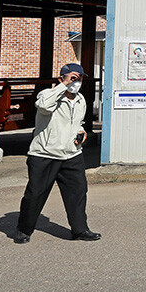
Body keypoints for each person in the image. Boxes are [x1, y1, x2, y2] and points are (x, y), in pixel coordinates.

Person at [14, 63, 101, 244]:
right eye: (73, 77)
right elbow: (44, 106)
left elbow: (78, 123)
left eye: (80, 78)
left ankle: (80, 230)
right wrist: (63, 86)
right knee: (35, 194)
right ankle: (23, 230)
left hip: (71, 154)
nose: (77, 82)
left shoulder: (80, 100)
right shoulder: (47, 95)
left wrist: (81, 132)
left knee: (78, 193)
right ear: (62, 78)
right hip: (45, 153)